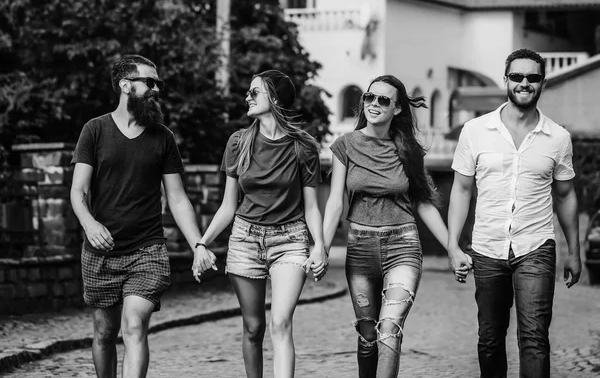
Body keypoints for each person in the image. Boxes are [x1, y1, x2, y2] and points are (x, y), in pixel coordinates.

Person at [70, 54, 216, 378]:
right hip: (101, 253)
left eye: (158, 84)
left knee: (134, 325)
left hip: (147, 251)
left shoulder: (163, 137)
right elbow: (78, 191)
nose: (156, 89)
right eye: (149, 82)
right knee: (104, 333)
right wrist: (89, 223)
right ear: (125, 85)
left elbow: (177, 199)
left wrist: (198, 245)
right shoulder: (94, 130)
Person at [320, 74, 471, 378]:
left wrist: (453, 249)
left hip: (403, 244)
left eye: (383, 100)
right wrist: (321, 248)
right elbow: (335, 201)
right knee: (367, 337)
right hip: (360, 249)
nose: (373, 104)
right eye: (369, 97)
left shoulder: (408, 150)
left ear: (397, 109)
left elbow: (425, 204)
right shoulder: (345, 145)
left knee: (389, 328)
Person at [447, 48, 581, 378]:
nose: (524, 83)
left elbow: (565, 196)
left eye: (532, 77)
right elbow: (462, 190)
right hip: (487, 248)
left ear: (542, 83)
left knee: (535, 340)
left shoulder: (558, 138)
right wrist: (452, 246)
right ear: (506, 79)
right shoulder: (474, 131)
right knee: (490, 340)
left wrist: (574, 251)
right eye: (517, 76)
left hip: (535, 246)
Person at [193, 70, 327, 378]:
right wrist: (203, 242)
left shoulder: (303, 148)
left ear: (275, 99)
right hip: (245, 240)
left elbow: (311, 207)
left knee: (281, 321)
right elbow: (228, 206)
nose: (247, 97)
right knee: (254, 327)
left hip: (290, 241)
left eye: (255, 92)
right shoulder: (239, 142)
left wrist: (318, 245)